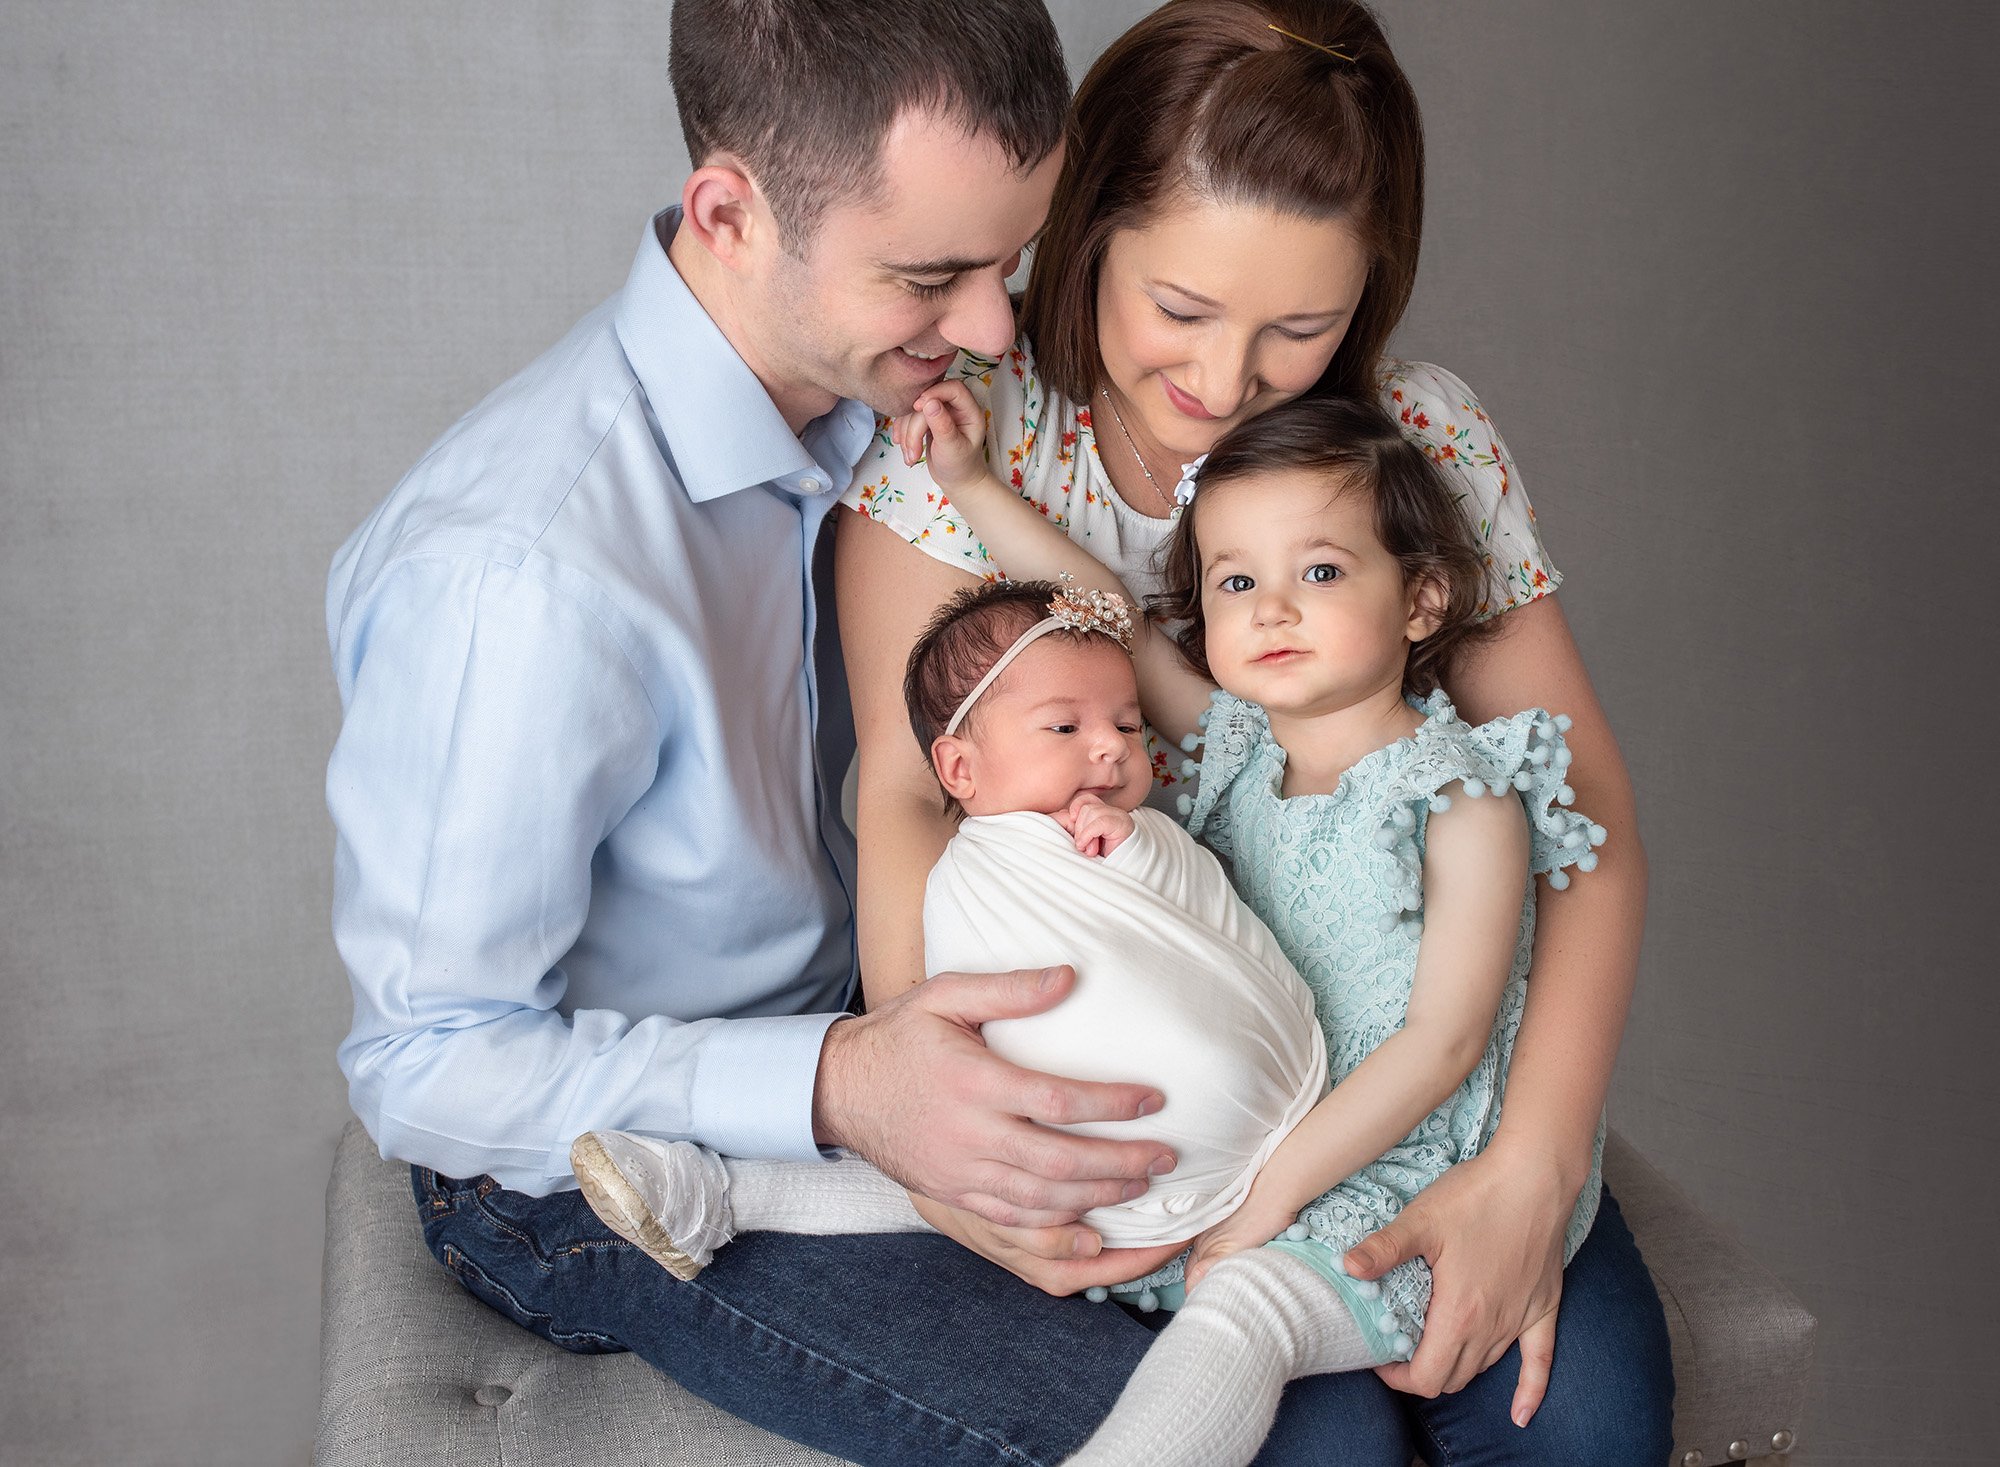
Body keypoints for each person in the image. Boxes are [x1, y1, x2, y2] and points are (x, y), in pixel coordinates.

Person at [322, 4, 1239, 1463]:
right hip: (588, 1152)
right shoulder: (521, 578)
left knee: (1310, 1374)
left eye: (1009, 264)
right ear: (730, 213)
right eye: (935, 275)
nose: (998, 330)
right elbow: (428, 1061)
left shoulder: (909, 419)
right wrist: (841, 1085)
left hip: (870, 1016)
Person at [835, 1, 1673, 1459]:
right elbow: (909, 799)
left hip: (1425, 1078)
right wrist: (951, 1148)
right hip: (1170, 1089)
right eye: (1181, 309)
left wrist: (1533, 1164)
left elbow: (1581, 817)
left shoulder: (1408, 444)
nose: (1225, 385)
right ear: (1087, 229)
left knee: (1586, 1417)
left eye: (1301, 328)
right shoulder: (973, 452)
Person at [570, 576, 1330, 1272]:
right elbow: (942, 1033)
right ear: (961, 769)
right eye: (1064, 728)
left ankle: (729, 1188)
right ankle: (719, 1187)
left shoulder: (1139, 835)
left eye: (1129, 726)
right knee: (930, 1168)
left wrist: (1136, 850)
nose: (1111, 745)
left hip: (1254, 1139)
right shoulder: (961, 879)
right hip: (1078, 1176)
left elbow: (1196, 915)